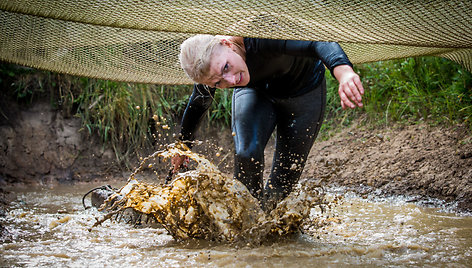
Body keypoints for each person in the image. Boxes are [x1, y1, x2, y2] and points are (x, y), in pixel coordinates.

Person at [172, 35, 364, 211]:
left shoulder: (261, 37)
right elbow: (199, 101)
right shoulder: (212, 66)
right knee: (247, 154)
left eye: (226, 68)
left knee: (283, 181)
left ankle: (271, 227)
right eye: (217, 83)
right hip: (256, 92)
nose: (231, 80)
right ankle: (248, 225)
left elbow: (318, 42)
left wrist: (344, 72)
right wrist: (183, 146)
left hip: (303, 91)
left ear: (228, 44)